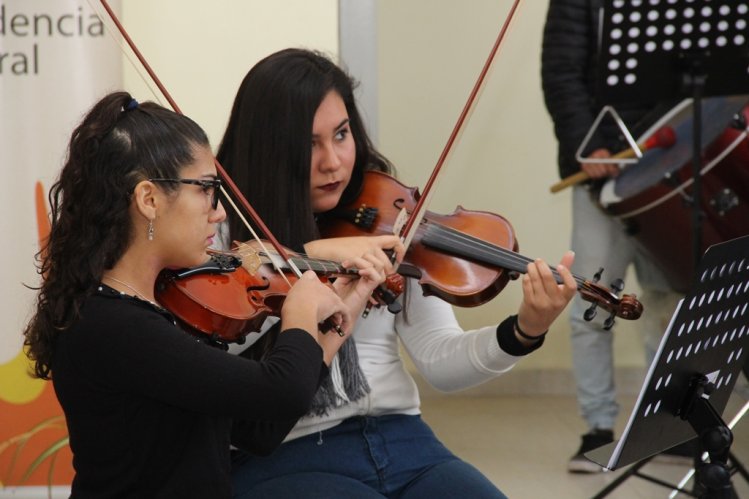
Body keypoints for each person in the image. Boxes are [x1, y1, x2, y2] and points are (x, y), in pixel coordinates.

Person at [217, 48, 578, 499]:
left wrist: (525, 330)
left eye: (342, 134)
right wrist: (308, 256)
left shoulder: (385, 214)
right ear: (267, 148)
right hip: (283, 454)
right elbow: (208, 351)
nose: (333, 162)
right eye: (309, 144)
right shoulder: (222, 230)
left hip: (403, 440)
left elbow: (439, 358)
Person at [22, 91, 387, 498]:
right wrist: (299, 307)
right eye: (206, 189)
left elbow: (257, 431)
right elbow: (280, 391)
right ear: (149, 199)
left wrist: (339, 320)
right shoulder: (110, 325)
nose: (219, 212)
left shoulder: (154, 310)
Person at [541, 0, 685, 473]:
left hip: (672, 166)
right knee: (592, 301)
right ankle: (597, 430)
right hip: (600, 172)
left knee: (670, 300)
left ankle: (667, 421)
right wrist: (589, 142)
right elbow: (560, 71)